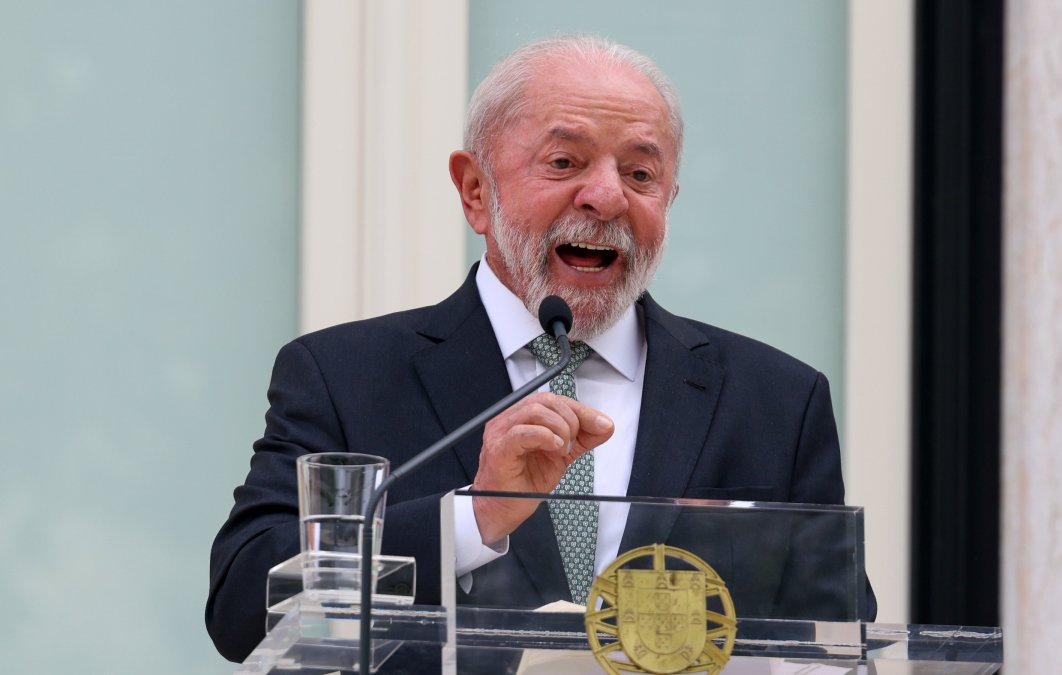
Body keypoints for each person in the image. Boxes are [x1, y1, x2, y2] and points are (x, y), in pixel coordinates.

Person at [207, 35, 874, 664]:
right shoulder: (344, 377)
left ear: (668, 200)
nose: (606, 195)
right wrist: (474, 515)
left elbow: (838, 649)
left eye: (641, 173)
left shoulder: (775, 400)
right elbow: (243, 606)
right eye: (564, 162)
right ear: (475, 190)